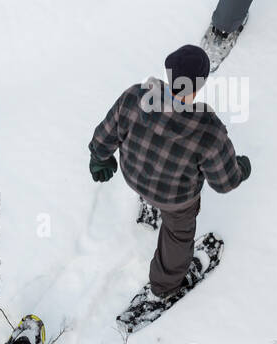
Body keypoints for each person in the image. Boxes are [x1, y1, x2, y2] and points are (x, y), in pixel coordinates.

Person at [88, 44, 250, 299]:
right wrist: (240, 168)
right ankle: (164, 286)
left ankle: (150, 204)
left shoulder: (135, 97)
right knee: (178, 235)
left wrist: (99, 158)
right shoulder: (207, 131)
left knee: (155, 166)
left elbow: (105, 134)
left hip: (136, 176)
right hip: (176, 201)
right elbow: (224, 182)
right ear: (199, 85)